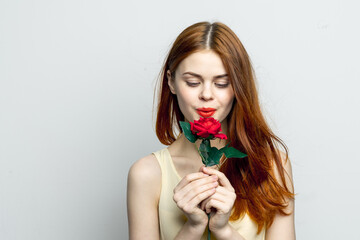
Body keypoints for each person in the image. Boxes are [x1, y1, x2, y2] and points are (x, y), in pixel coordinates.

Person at [127, 21, 295, 240]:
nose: (207, 95)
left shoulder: (272, 166)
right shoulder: (146, 174)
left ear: (238, 87)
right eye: (193, 82)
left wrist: (224, 230)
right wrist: (193, 226)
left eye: (222, 83)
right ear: (171, 82)